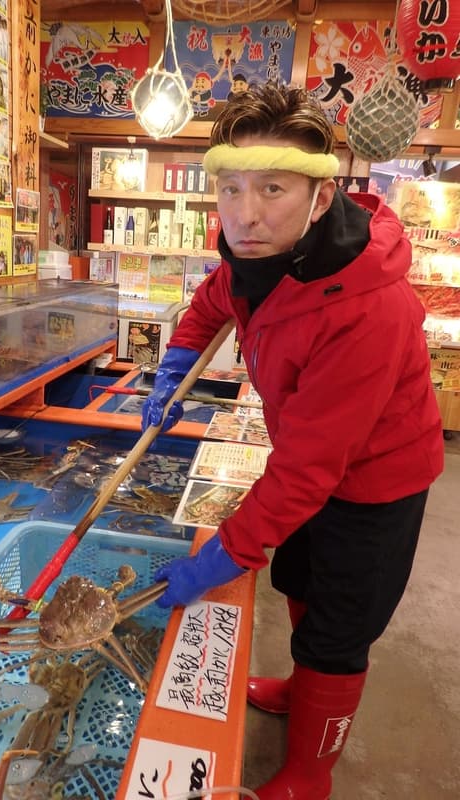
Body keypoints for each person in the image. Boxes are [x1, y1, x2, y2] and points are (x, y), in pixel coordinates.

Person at [140, 82, 444, 799]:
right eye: (231, 188)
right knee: (301, 579)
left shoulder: (367, 307)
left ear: (319, 194)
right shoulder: (253, 257)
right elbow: (211, 302)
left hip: (377, 482)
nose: (246, 214)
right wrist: (176, 364)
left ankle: (310, 773)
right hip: (310, 458)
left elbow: (307, 472)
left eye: (272, 187)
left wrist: (223, 554)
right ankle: (300, 685)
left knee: (341, 626)